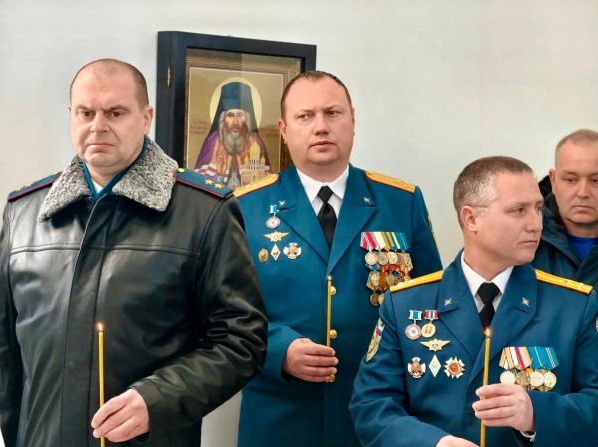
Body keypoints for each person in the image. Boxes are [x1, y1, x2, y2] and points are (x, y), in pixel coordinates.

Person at [0, 58, 267, 447]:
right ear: (71, 115)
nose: (98, 126)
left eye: (115, 113)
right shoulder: (24, 212)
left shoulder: (203, 211)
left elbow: (241, 340)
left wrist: (158, 400)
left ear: (146, 118)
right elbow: (5, 354)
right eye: (86, 113)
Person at [234, 71, 442, 447]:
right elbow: (222, 313)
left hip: (378, 414)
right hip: (281, 416)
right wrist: (278, 350)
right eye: (305, 116)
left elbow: (431, 306)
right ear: (283, 129)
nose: (321, 127)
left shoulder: (401, 202)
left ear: (353, 120)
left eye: (332, 113)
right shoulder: (245, 207)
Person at [351, 156, 598, 447]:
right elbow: (372, 405)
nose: (535, 224)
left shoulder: (574, 305)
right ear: (470, 218)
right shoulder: (405, 303)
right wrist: (434, 443)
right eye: (518, 210)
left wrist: (537, 414)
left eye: (538, 208)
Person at [533, 129, 598, 289]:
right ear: (553, 181)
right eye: (570, 180)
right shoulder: (518, 239)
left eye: (596, 181)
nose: (582, 193)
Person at [194, 81, 271, 189]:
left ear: (247, 119)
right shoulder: (213, 141)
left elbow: (265, 182)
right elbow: (201, 181)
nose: (235, 122)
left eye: (240, 115)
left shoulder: (255, 141)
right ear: (223, 119)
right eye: (230, 115)